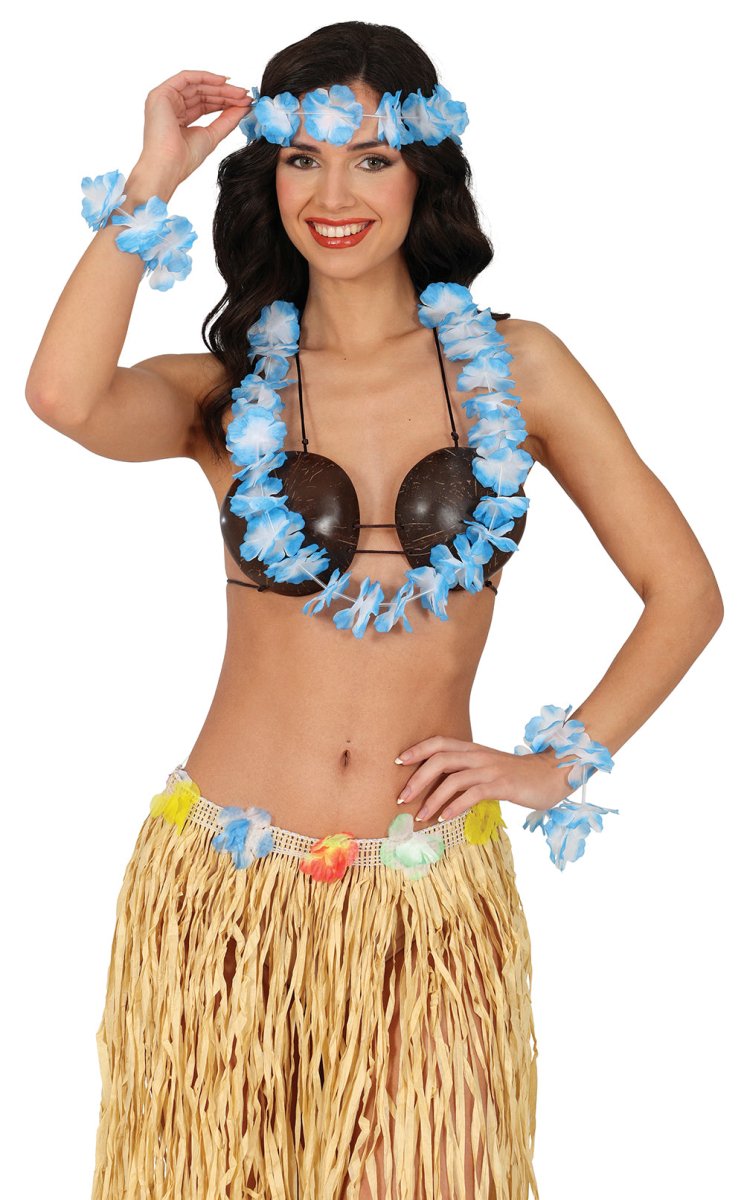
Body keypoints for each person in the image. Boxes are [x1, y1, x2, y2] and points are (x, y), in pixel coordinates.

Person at [25, 20, 723, 1200]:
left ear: (421, 171)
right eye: (303, 158)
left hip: (426, 899)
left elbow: (685, 593)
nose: (334, 195)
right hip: (226, 896)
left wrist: (555, 765)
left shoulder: (520, 369)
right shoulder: (232, 391)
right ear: (269, 175)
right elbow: (62, 395)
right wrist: (154, 175)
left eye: (371, 158)